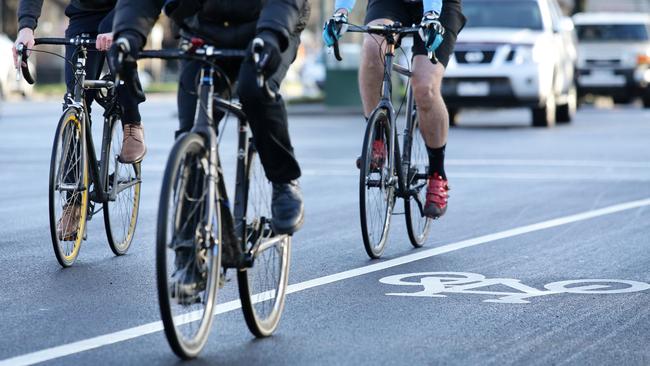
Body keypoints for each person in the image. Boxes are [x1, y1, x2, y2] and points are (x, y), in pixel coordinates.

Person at [110, 0, 308, 296]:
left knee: (255, 89)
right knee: (191, 137)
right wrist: (126, 36)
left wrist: (271, 33)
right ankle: (188, 260)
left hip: (268, 25)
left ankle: (283, 181)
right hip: (204, 30)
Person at [13, 0, 147, 240]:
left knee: (123, 63)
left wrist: (113, 23)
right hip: (83, 17)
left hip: (125, 10)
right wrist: (25, 28)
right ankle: (73, 204)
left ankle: (132, 123)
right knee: (75, 102)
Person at [323, 0, 466, 219]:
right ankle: (379, 141)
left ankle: (437, 174)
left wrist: (431, 14)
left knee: (424, 86)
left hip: (441, 6)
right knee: (372, 52)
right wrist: (340, 12)